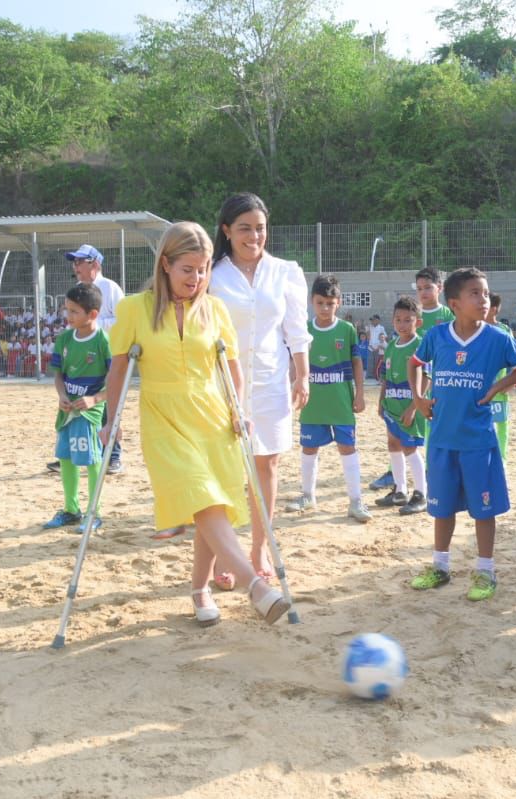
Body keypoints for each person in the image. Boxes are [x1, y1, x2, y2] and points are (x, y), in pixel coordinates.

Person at [100, 222, 290, 626]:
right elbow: (118, 369)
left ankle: (200, 589)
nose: (197, 278)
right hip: (163, 416)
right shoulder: (134, 309)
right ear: (165, 265)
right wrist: (109, 420)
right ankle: (253, 584)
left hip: (214, 416)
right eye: (188, 269)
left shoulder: (215, 309)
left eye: (203, 269)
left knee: (212, 505)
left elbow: (232, 369)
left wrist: (239, 411)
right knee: (198, 494)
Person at [407, 267, 516, 601]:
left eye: (485, 292)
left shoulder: (496, 337)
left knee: (484, 508)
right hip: (442, 439)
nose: (484, 299)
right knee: (442, 507)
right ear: (454, 302)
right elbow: (414, 363)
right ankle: (440, 566)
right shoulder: (437, 336)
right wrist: (419, 398)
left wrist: (497, 386)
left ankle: (485, 570)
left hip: (478, 441)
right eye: (475, 293)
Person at [209, 192, 312, 587]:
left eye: (260, 228)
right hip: (221, 383)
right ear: (226, 231)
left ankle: (259, 547)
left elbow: (296, 329)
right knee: (226, 468)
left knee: (266, 464)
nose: (254, 236)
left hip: (272, 379)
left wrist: (302, 375)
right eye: (244, 229)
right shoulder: (213, 274)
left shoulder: (285, 271)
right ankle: (224, 551)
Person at [286, 274, 370, 522]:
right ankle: (307, 495)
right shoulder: (304, 330)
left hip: (341, 402)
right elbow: (294, 362)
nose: (325, 308)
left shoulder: (347, 330)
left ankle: (355, 501)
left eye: (330, 303)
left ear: (339, 303)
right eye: (320, 302)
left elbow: (356, 363)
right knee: (309, 447)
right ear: (312, 301)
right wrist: (292, 387)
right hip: (313, 403)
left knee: (348, 448)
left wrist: (361, 393)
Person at [43, 283, 110, 534]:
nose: (68, 316)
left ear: (92, 314)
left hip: (89, 414)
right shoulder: (64, 339)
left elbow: (116, 381)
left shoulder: (104, 341)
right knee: (66, 458)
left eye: (74, 311)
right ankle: (71, 510)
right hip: (66, 413)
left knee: (91, 460)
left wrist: (95, 399)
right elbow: (58, 375)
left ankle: (94, 513)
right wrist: (61, 395)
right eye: (66, 310)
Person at [56, 245, 125, 475]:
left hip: (107, 351)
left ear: (95, 263)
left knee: (106, 400)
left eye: (80, 262)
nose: (75, 266)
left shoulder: (109, 287)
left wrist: (97, 325)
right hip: (82, 353)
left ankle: (113, 455)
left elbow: (124, 319)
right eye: (74, 262)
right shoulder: (78, 289)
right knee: (76, 401)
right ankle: (70, 451)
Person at [374, 296, 427, 514]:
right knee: (393, 444)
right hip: (391, 405)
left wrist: (414, 406)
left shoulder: (420, 345)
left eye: (408, 320)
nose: (402, 324)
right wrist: (381, 402)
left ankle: (422, 494)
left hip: (409, 407)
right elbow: (385, 376)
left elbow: (427, 377)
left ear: (418, 322)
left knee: (410, 447)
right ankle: (400, 490)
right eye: (398, 320)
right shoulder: (392, 346)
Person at [485, 292, 515, 459]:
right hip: (478, 387)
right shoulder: (474, 328)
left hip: (499, 387)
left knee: (501, 424)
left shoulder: (504, 331)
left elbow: (515, 358)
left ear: (494, 309)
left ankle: (501, 459)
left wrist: (511, 382)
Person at [367, 314, 387, 378]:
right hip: (370, 347)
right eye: (372, 320)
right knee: (370, 362)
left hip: (378, 348)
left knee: (377, 362)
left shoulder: (381, 328)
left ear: (378, 320)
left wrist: (380, 345)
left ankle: (376, 376)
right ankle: (369, 375)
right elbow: (368, 337)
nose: (372, 321)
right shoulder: (370, 327)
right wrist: (368, 329)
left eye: (374, 320)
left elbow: (385, 336)